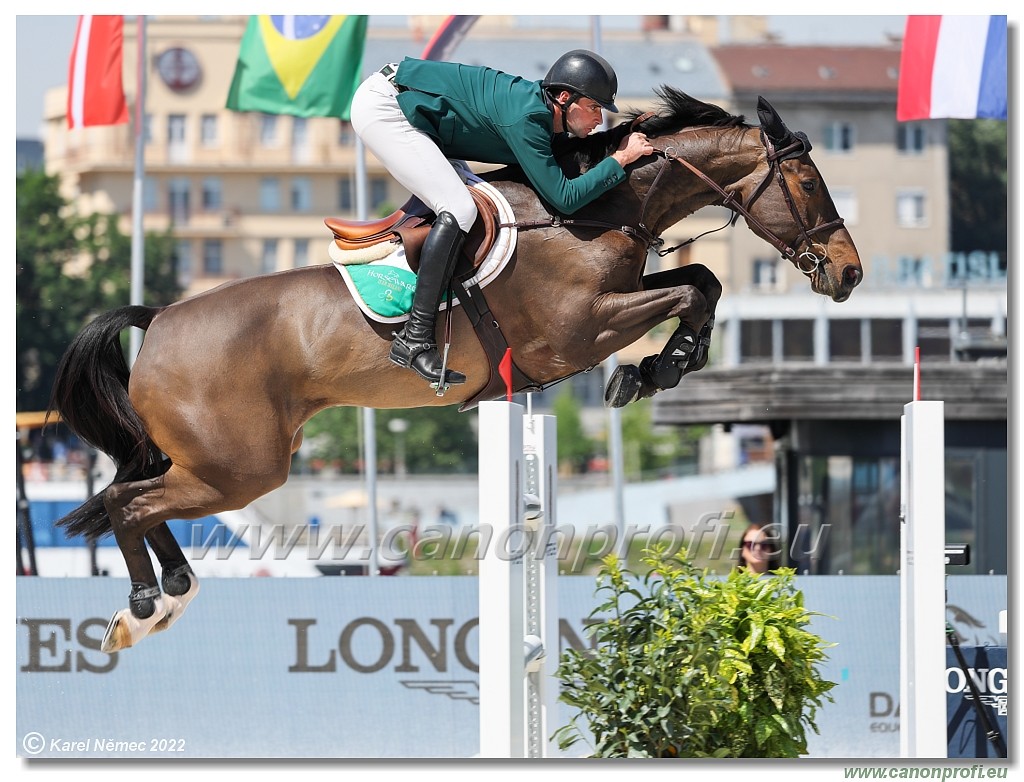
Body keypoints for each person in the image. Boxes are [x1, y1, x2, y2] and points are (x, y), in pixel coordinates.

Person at [350, 50, 654, 388]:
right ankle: (415, 336)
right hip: (387, 108)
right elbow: (565, 199)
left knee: (470, 201)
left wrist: (621, 138)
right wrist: (622, 158)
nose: (599, 118)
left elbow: (559, 157)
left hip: (413, 109)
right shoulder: (527, 119)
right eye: (594, 108)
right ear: (565, 98)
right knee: (460, 208)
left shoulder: (543, 114)